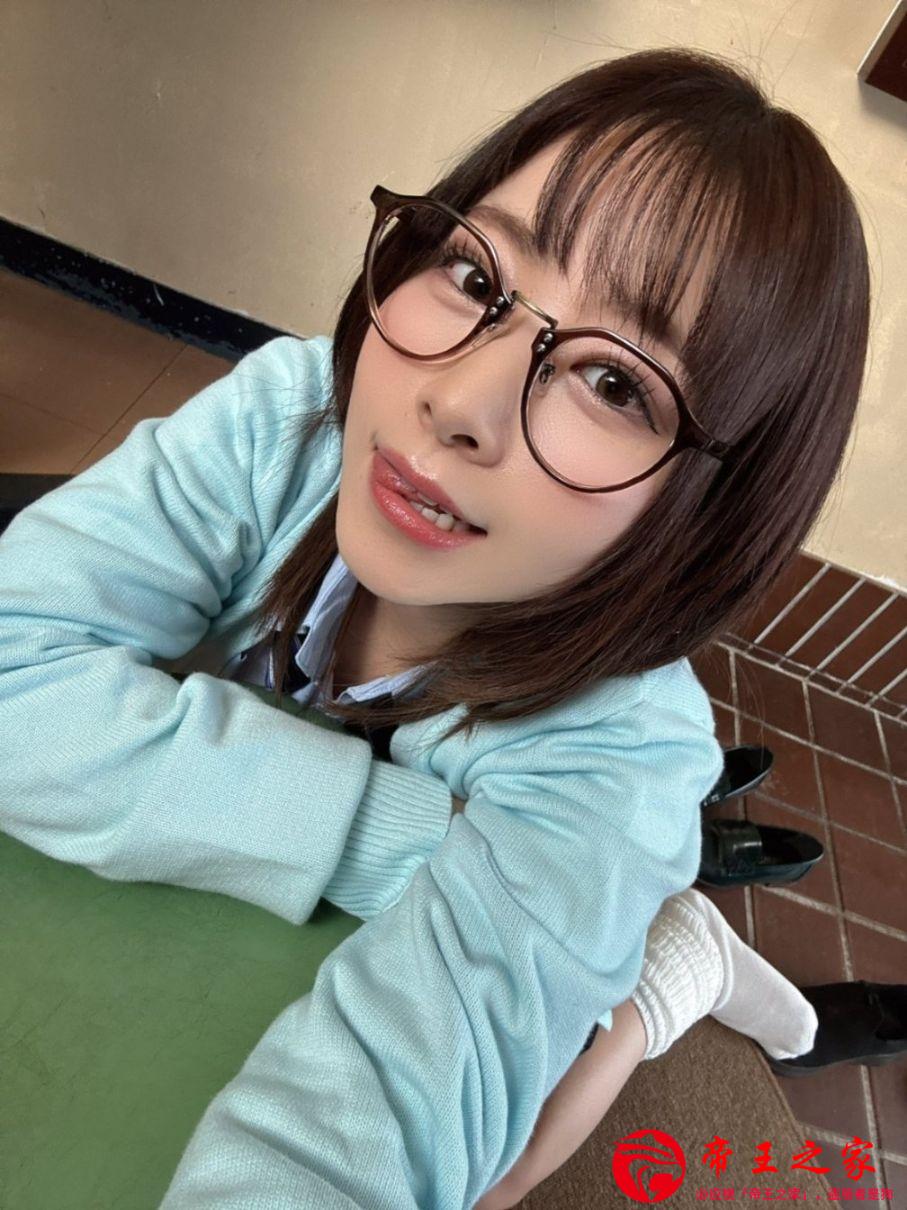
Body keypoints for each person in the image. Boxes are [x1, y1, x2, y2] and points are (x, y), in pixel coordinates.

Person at [0, 46, 873, 1208]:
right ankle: (650, 937)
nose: (455, 401)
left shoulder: (625, 759)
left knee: (519, 1148)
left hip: (591, 813)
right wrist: (407, 835)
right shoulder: (292, 418)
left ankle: (659, 977)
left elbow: (366, 1153)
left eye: (616, 384)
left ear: (721, 511)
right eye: (473, 273)